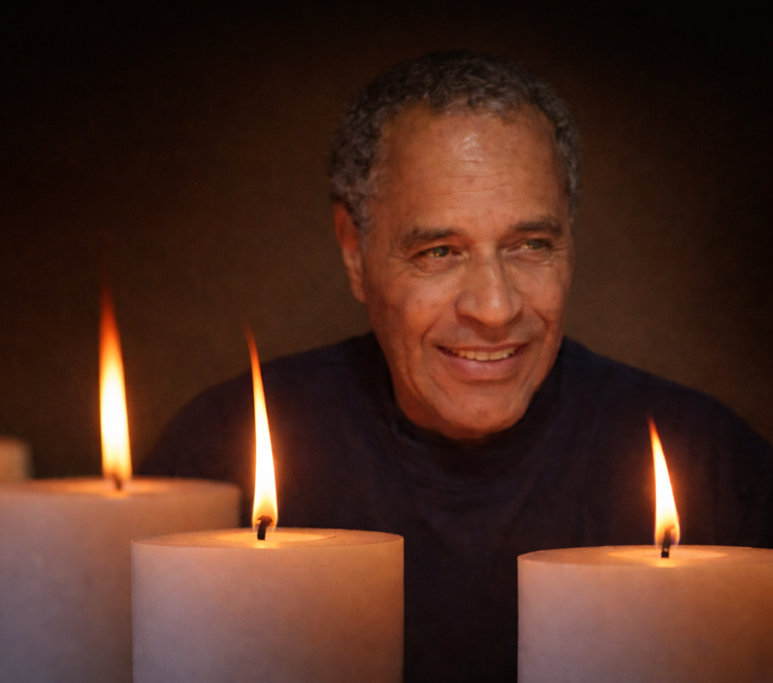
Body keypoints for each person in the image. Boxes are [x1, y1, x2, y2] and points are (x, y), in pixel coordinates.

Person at [140, 51, 773, 681]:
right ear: (355, 252)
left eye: (531, 245)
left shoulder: (716, 467)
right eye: (439, 251)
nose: (495, 309)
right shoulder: (217, 459)